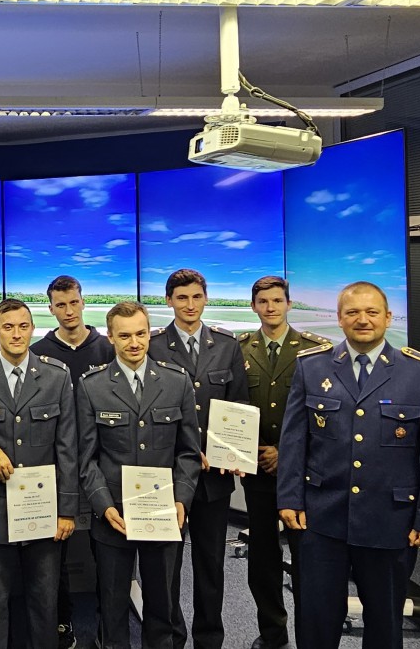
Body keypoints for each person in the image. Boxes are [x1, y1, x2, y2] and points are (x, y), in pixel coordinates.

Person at [277, 281, 420, 649]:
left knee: (385, 621)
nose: (363, 319)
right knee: (315, 618)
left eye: (372, 312)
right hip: (321, 518)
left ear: (388, 317)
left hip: (389, 521)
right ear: (339, 318)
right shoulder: (312, 367)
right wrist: (289, 498)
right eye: (353, 312)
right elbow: (294, 440)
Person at [78, 301, 201, 649]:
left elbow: (188, 452)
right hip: (114, 514)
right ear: (110, 337)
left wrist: (182, 499)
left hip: (164, 512)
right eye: (125, 336)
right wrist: (103, 505)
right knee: (113, 606)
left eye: (141, 334)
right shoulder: (91, 386)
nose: (134, 343)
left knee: (162, 605)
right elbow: (86, 458)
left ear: (149, 333)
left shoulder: (176, 381)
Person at [0, 299, 78, 649]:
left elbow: (67, 448)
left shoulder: (56, 377)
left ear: (33, 329)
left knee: (44, 601)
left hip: (43, 510)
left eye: (23, 326)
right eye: (8, 327)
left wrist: (67, 510)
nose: (16, 334)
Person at [147, 269, 249, 649]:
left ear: (206, 298)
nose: (189, 305)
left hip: (214, 476)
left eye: (196, 297)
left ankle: (209, 638)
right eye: (181, 297)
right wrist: (189, 452)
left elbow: (238, 404)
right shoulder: (153, 345)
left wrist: (229, 450)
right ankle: (171, 637)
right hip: (168, 474)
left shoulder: (226, 345)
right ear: (168, 301)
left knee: (210, 565)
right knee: (165, 567)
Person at [236, 276, 331, 649]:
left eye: (277, 300)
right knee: (263, 559)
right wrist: (253, 450)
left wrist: (285, 453)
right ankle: (272, 633)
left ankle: (311, 636)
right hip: (257, 470)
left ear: (289, 304)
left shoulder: (314, 351)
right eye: (263, 301)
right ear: (253, 307)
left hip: (301, 473)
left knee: (307, 559)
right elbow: (233, 407)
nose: (270, 307)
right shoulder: (239, 349)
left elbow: (323, 417)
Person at [30, 274, 113, 649]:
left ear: (83, 302)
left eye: (73, 303)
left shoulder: (106, 348)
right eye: (60, 305)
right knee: (54, 551)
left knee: (106, 550)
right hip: (57, 464)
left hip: (103, 463)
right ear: (50, 309)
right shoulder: (40, 352)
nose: (68, 311)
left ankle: (107, 622)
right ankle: (62, 622)